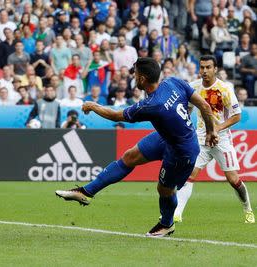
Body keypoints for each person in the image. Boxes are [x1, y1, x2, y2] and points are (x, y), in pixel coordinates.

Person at [55, 57, 218, 237]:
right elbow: (203, 105)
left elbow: (117, 116)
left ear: (142, 79)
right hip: (168, 138)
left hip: (182, 151)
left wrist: (93, 105)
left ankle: (167, 224)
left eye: (136, 74)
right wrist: (211, 131)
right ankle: (86, 192)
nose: (134, 77)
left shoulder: (151, 105)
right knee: (129, 157)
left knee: (164, 189)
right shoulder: (173, 81)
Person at [175, 56, 255, 224]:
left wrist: (218, 128)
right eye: (202, 67)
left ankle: (247, 209)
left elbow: (237, 116)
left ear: (215, 69)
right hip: (201, 138)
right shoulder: (193, 87)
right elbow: (187, 110)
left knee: (233, 180)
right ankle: (177, 213)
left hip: (222, 139)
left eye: (208, 67)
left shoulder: (224, 89)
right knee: (190, 175)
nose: (204, 71)